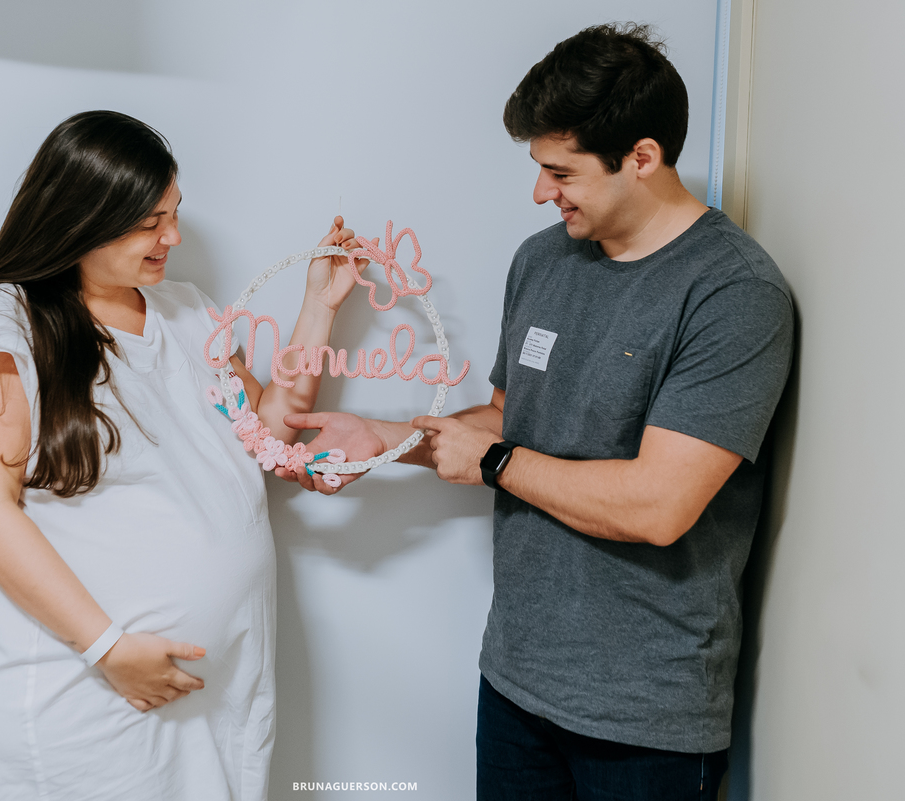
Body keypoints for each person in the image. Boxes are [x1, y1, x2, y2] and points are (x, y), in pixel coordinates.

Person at [280, 23, 794, 800]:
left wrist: (495, 463)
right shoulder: (544, 259)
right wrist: (384, 439)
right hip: (515, 682)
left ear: (642, 157)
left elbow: (659, 505)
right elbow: (506, 420)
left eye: (561, 172)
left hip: (646, 716)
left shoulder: (733, 293)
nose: (540, 193)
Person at [0, 110, 370, 800]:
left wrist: (319, 307)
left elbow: (265, 434)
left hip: (205, 698)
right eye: (150, 222)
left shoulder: (188, 311)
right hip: (79, 696)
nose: (172, 237)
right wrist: (109, 648)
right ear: (81, 217)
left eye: (174, 215)